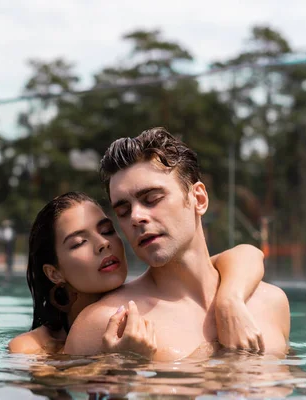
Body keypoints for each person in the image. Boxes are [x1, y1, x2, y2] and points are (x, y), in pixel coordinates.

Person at [63, 127, 290, 361]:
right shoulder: (107, 323)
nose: (135, 217)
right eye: (123, 210)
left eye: (152, 199)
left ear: (198, 199)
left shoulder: (271, 303)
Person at [9, 191, 267, 356]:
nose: (103, 243)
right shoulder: (33, 350)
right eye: (79, 242)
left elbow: (247, 253)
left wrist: (229, 300)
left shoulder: (139, 298)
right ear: (54, 273)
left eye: (107, 230)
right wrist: (119, 363)